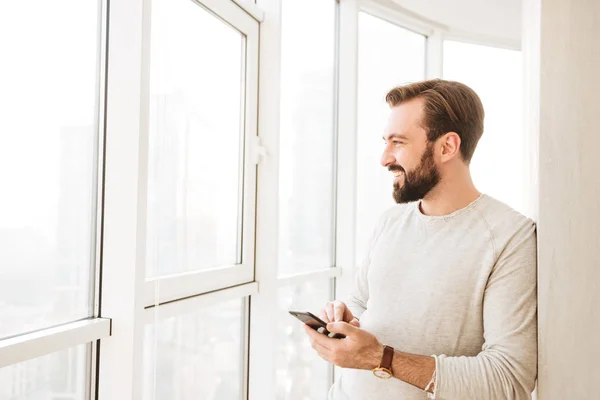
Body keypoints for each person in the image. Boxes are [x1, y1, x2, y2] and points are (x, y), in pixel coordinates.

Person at [304, 79, 537, 400]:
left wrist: (378, 357)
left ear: (447, 147)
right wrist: (344, 317)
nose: (385, 158)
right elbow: (361, 302)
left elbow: (508, 379)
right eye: (385, 142)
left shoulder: (510, 236)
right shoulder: (390, 221)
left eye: (398, 142)